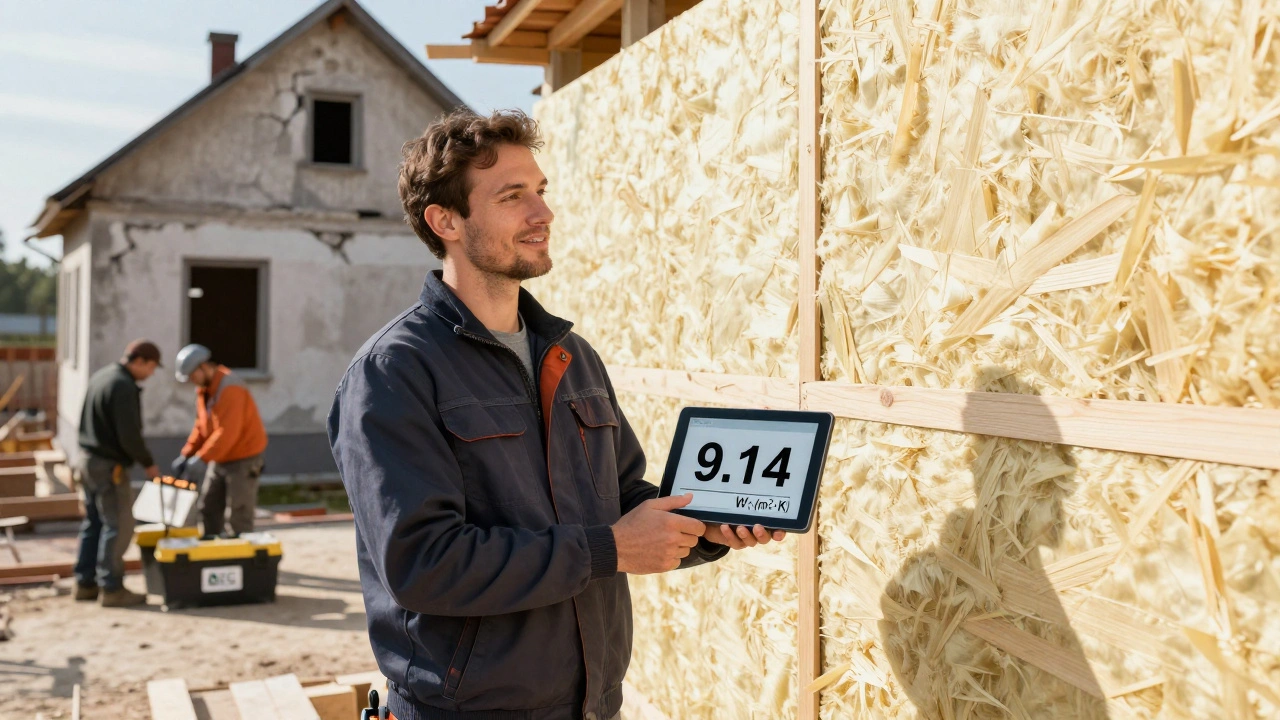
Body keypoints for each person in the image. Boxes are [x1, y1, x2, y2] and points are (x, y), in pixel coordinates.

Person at [328, 109, 785, 720]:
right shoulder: (394, 372)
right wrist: (607, 550)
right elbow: (423, 564)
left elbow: (621, 500)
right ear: (446, 221)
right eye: (513, 196)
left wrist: (706, 524)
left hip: (593, 703)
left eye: (540, 192)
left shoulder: (572, 356)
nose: (542, 214)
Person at [74, 339, 162, 607]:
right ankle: (112, 587)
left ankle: (85, 583)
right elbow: (129, 434)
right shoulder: (122, 386)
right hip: (109, 465)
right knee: (118, 524)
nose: (151, 374)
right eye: (152, 367)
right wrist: (148, 463)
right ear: (140, 361)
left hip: (87, 460)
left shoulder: (102, 376)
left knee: (94, 523)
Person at [171, 344, 268, 538]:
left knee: (238, 513)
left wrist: (202, 458)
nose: (192, 381)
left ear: (204, 366)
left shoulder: (231, 388)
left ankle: (240, 561)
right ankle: (210, 554)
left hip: (243, 458)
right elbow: (202, 426)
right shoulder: (205, 390)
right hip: (220, 457)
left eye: (192, 375)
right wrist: (187, 453)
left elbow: (227, 433)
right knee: (208, 507)